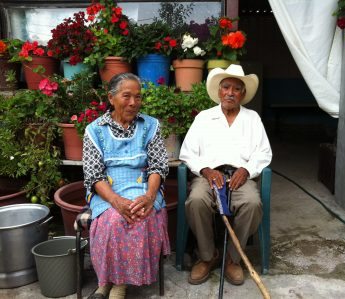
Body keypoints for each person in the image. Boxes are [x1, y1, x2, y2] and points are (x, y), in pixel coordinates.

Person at [179, 64, 272, 286]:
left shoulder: (252, 119)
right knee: (196, 201)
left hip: (240, 176)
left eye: (236, 89)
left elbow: (264, 152)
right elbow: (187, 152)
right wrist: (206, 170)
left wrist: (247, 169)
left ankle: (233, 258)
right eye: (226, 87)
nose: (230, 92)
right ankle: (208, 256)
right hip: (208, 175)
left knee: (251, 202)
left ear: (243, 94)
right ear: (219, 91)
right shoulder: (204, 117)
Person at [82, 73, 170, 299]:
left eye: (138, 97)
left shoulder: (150, 125)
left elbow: (158, 167)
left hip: (143, 188)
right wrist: (116, 201)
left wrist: (150, 197)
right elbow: (93, 175)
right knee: (112, 220)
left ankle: (119, 286)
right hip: (107, 190)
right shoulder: (95, 130)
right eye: (127, 96)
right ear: (111, 98)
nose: (133, 103)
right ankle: (106, 281)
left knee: (140, 215)